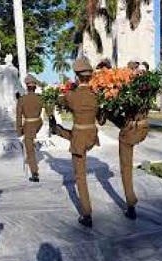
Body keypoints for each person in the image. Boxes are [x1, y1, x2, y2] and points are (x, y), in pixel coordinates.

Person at [49, 58, 100, 228]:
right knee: (73, 134)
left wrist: (65, 92)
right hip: (92, 136)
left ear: (77, 76)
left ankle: (87, 214)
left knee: (80, 176)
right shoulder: (96, 96)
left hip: (79, 138)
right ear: (90, 76)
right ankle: (57, 130)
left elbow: (58, 102)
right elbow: (101, 119)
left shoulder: (71, 96)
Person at [99, 60, 150, 220]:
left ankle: (131, 205)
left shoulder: (126, 86)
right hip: (143, 128)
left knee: (126, 169)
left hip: (130, 131)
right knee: (120, 120)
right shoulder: (147, 84)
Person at [16, 74, 43, 182]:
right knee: (30, 143)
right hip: (38, 123)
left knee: (30, 150)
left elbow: (18, 117)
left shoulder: (22, 100)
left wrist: (19, 131)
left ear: (27, 87)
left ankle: (34, 173)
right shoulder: (40, 98)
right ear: (35, 87)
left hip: (29, 125)